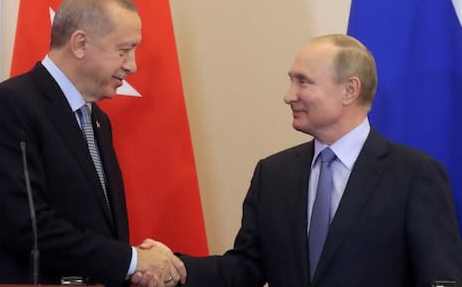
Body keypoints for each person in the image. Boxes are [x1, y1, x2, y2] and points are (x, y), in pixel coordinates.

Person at [142, 34, 462, 286]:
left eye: (303, 81)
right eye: (291, 80)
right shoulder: (273, 174)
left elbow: (440, 279)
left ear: (349, 90)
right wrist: (175, 269)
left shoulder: (414, 174)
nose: (288, 95)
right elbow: (244, 269)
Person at [0, 0, 185, 286]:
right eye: (123, 50)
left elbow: (96, 228)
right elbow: (26, 226)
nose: (132, 65)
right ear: (80, 44)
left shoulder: (97, 120)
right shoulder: (11, 104)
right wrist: (129, 261)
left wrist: (130, 270)